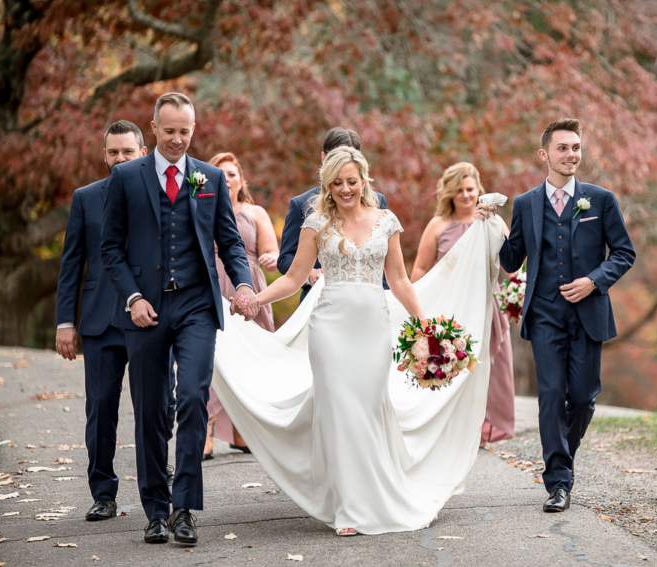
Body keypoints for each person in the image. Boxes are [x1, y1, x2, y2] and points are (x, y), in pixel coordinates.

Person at [213, 147, 506, 536]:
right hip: (329, 329)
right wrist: (254, 298)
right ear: (327, 184)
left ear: (364, 180)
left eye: (352, 181)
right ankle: (349, 509)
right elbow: (294, 277)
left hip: (372, 330)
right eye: (337, 183)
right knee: (338, 411)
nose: (345, 189)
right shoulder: (315, 222)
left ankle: (374, 496)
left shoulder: (386, 221)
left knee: (366, 410)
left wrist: (426, 327)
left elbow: (400, 280)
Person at [101, 93, 257, 545]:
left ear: (193, 129)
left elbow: (229, 241)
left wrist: (243, 284)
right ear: (153, 127)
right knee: (151, 409)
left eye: (184, 131)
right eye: (168, 130)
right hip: (144, 309)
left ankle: (184, 506)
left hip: (195, 306)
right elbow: (110, 248)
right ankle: (155, 509)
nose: (176, 139)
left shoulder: (207, 177)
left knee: (191, 398)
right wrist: (131, 298)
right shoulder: (126, 177)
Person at [476, 118, 635, 513]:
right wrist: (492, 227)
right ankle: (558, 482)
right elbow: (512, 261)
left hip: (588, 314)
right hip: (544, 313)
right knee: (551, 397)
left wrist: (594, 281)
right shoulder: (527, 203)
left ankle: (563, 453)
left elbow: (624, 253)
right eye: (563, 148)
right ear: (544, 154)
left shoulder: (600, 200)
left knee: (581, 399)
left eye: (576, 147)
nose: (572, 155)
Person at [55, 120, 175, 522]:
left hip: (152, 318)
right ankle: (103, 492)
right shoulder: (86, 198)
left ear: (143, 151)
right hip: (101, 321)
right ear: (104, 155)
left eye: (127, 151)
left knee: (158, 406)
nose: (119, 159)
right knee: (101, 407)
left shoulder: (165, 194)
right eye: (113, 152)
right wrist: (64, 323)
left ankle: (158, 477)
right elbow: (72, 263)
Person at [411, 162, 515, 444]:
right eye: (459, 190)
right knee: (450, 364)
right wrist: (420, 305)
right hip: (449, 309)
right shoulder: (438, 225)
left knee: (488, 366)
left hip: (485, 306)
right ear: (449, 193)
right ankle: (447, 428)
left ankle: (482, 427)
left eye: (470, 189)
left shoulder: (493, 222)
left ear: (478, 189)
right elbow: (420, 269)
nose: (466, 195)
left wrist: (516, 289)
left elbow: (512, 264)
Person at [203, 151, 278, 459]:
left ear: (241, 180)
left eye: (232, 173)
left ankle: (240, 430)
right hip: (211, 283)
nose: (227, 178)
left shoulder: (256, 212)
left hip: (249, 284)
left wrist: (271, 258)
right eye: (221, 173)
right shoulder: (201, 207)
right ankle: (205, 430)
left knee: (252, 356)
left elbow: (273, 253)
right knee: (211, 356)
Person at [277, 127, 387, 301]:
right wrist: (310, 274)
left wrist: (388, 301)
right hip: (318, 300)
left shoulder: (378, 202)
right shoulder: (302, 204)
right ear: (323, 158)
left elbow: (386, 264)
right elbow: (285, 258)